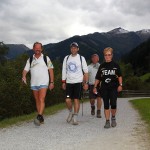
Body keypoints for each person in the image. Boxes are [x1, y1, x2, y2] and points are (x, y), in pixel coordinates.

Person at [22, 42, 54, 126]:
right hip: (34, 83)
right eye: (36, 48)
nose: (38, 49)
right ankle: (41, 117)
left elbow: (51, 70)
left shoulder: (46, 58)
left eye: (39, 48)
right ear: (33, 49)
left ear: (42, 49)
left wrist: (51, 82)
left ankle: (39, 116)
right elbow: (25, 70)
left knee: (41, 99)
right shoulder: (30, 59)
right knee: (37, 100)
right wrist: (24, 76)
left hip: (44, 82)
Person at [93, 47, 123, 128]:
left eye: (109, 55)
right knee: (106, 105)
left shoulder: (116, 65)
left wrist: (120, 85)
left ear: (112, 55)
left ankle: (113, 117)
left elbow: (120, 76)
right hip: (104, 88)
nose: (107, 56)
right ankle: (107, 121)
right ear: (104, 56)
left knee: (113, 104)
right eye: (106, 55)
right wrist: (95, 87)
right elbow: (98, 78)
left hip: (114, 88)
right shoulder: (102, 66)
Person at [62, 42, 88, 125]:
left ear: (78, 49)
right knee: (67, 100)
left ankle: (75, 117)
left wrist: (86, 83)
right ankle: (71, 112)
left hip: (78, 82)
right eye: (72, 48)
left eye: (75, 48)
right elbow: (64, 70)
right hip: (69, 82)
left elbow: (86, 72)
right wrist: (63, 82)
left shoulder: (81, 58)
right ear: (70, 49)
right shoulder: (66, 58)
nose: (73, 49)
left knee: (76, 99)